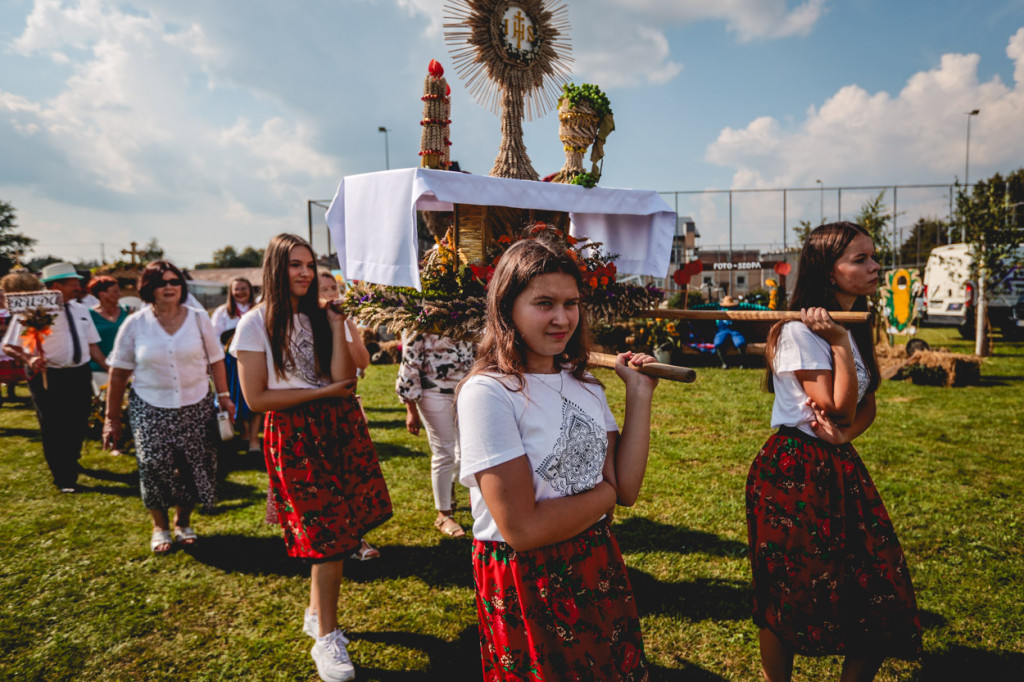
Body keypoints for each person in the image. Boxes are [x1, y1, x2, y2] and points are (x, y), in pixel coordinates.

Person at [456, 235, 660, 681]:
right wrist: (603, 494)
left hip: (596, 558)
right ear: (507, 307)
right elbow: (522, 529)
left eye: (572, 304)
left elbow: (625, 489)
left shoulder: (586, 385)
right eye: (544, 303)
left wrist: (638, 396)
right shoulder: (489, 393)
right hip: (528, 577)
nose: (562, 318)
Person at [747, 222, 921, 682]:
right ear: (829, 270)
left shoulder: (853, 323)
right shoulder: (798, 331)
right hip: (793, 470)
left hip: (838, 466)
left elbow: (868, 402)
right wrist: (840, 344)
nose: (875, 266)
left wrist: (845, 438)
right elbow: (837, 407)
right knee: (791, 589)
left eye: (873, 256)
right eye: (860, 259)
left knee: (876, 586)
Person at [232, 234, 392, 682]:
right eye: (294, 265)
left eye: (309, 264)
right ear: (275, 269)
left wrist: (339, 324)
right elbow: (258, 398)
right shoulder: (254, 324)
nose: (304, 273)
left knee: (342, 526)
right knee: (330, 537)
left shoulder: (322, 318)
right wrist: (323, 393)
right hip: (294, 433)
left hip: (339, 429)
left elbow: (346, 377)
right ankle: (327, 637)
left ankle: (316, 613)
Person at [102, 260, 233, 554]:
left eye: (175, 282)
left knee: (192, 466)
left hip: (195, 403)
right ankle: (159, 526)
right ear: (149, 288)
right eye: (163, 283)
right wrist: (112, 419)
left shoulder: (199, 319)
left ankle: (182, 522)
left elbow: (215, 360)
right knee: (153, 467)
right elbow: (119, 372)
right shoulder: (135, 324)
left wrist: (223, 395)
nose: (170, 287)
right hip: (150, 406)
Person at [3, 262, 106, 493]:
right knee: (53, 425)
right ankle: (64, 477)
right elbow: (9, 346)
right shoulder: (34, 310)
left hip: (79, 373)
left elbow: (92, 345)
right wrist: (29, 360)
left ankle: (70, 459)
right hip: (47, 374)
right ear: (55, 286)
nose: (78, 287)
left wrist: (109, 367)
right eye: (73, 283)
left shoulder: (81, 310)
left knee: (78, 420)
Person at [397, 331, 474, 538]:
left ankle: (453, 491)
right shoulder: (420, 320)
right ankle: (444, 514)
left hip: (467, 389)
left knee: (467, 450)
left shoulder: (466, 315)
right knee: (444, 452)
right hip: (434, 393)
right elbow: (410, 363)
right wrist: (410, 408)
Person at [211, 277, 261, 452]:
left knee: (256, 395)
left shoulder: (258, 310)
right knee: (237, 397)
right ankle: (245, 432)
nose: (240, 292)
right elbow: (214, 337)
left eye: (244, 288)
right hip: (231, 362)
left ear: (250, 290)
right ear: (231, 292)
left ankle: (254, 438)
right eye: (236, 289)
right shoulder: (223, 312)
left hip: (255, 358)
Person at [86, 275, 130, 382]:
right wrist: (109, 368)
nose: (119, 295)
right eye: (115, 291)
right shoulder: (89, 315)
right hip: (99, 371)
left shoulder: (127, 311)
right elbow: (91, 345)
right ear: (102, 294)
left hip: (126, 369)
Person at [714, 295, 747, 369]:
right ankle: (724, 363)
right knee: (718, 343)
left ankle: (742, 363)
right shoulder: (719, 309)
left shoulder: (737, 309)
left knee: (741, 342)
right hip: (722, 330)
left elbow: (750, 306)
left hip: (734, 330)